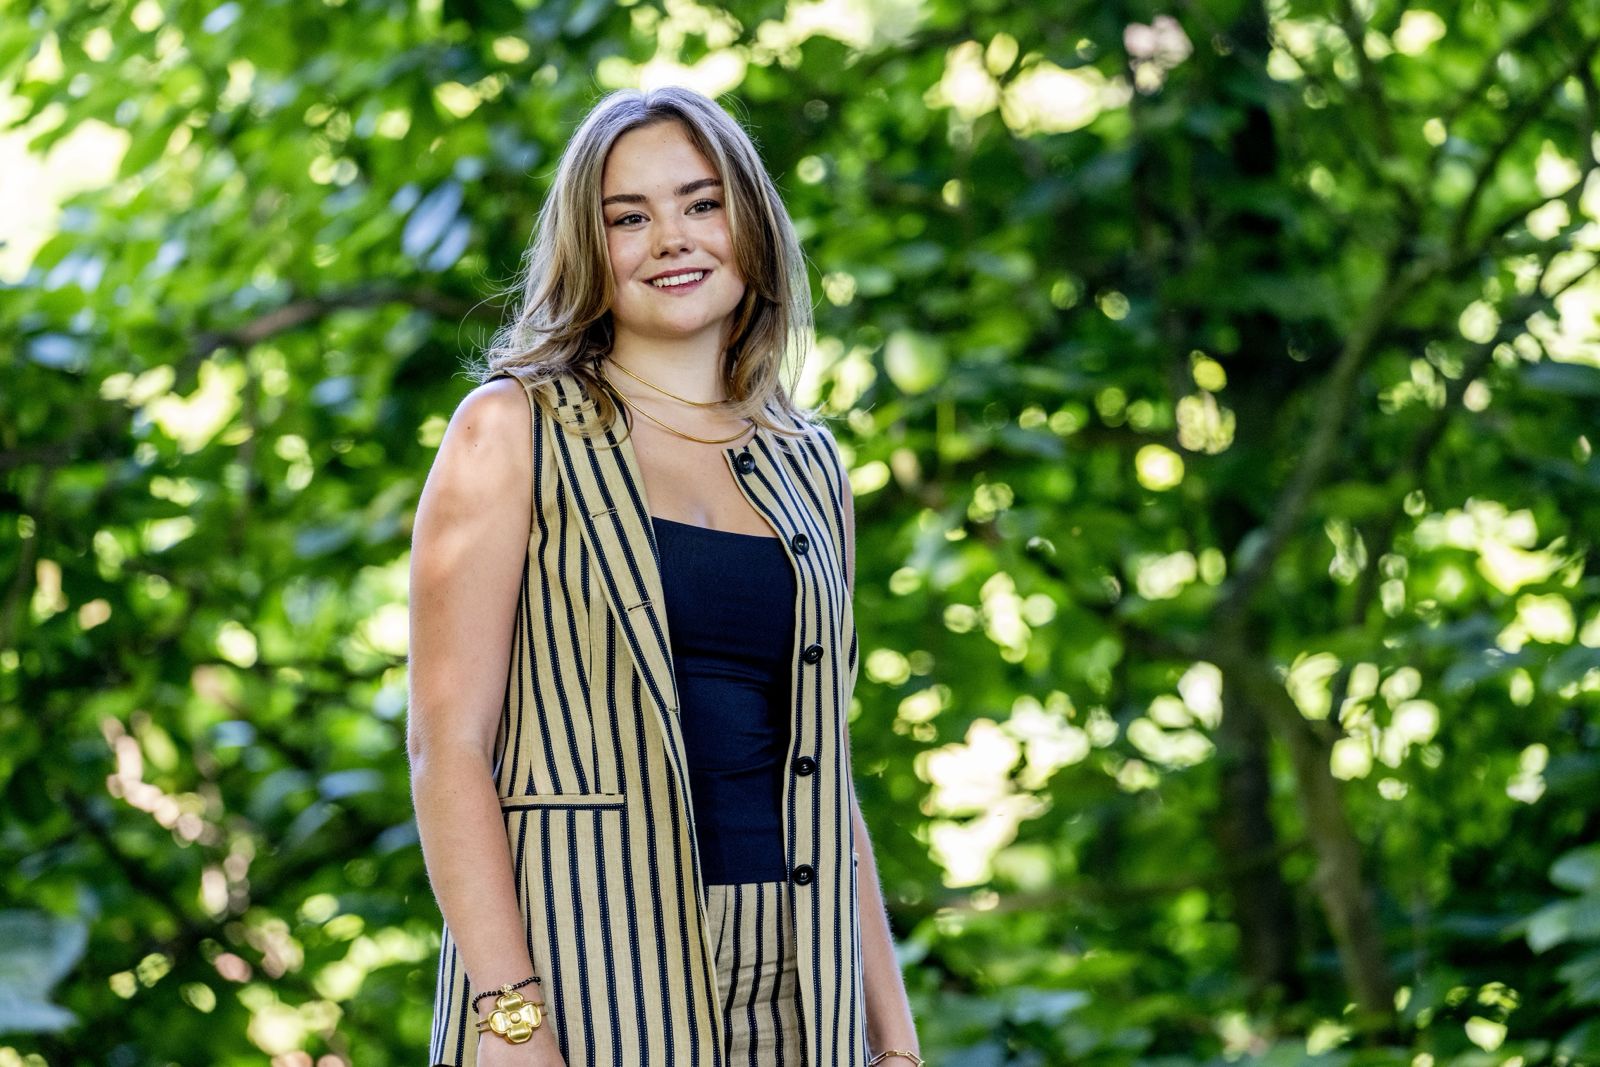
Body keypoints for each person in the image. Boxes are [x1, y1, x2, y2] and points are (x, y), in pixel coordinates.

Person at [406, 85, 923, 1067]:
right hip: (585, 966)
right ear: (589, 248)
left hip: (800, 982)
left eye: (700, 203)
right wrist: (510, 1016)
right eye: (628, 217)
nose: (672, 239)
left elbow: (824, 770)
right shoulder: (512, 430)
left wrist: (893, 1039)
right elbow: (448, 746)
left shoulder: (809, 463)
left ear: (748, 223)